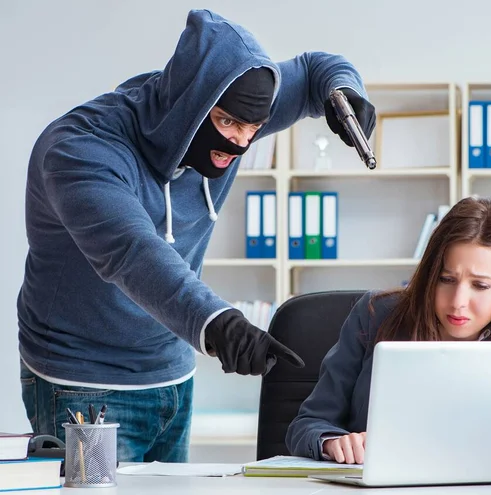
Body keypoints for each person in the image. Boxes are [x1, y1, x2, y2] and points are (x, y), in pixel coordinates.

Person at [17, 9, 376, 463]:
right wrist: (217, 324)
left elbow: (312, 70)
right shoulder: (79, 151)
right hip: (83, 385)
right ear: (190, 104)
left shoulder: (241, 103)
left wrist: (343, 92)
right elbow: (133, 252)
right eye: (228, 124)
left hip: (173, 376)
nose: (241, 143)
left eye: (253, 129)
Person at [285, 196, 491, 464]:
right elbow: (307, 425)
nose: (458, 302)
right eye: (446, 279)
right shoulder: (376, 315)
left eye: (481, 286)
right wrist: (332, 442)